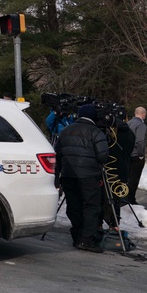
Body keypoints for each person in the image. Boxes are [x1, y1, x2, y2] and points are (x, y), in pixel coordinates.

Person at [53, 103, 110, 252]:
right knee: (91, 207)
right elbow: (103, 156)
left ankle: (78, 235)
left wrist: (59, 174)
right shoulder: (96, 132)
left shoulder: (65, 131)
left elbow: (57, 154)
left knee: (74, 206)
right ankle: (85, 239)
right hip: (89, 176)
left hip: (68, 174)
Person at [126, 106, 147, 204]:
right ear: (143, 114)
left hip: (127, 154)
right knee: (135, 178)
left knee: (128, 177)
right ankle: (131, 199)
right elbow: (140, 141)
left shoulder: (128, 123)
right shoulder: (141, 125)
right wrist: (141, 154)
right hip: (136, 154)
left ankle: (125, 196)